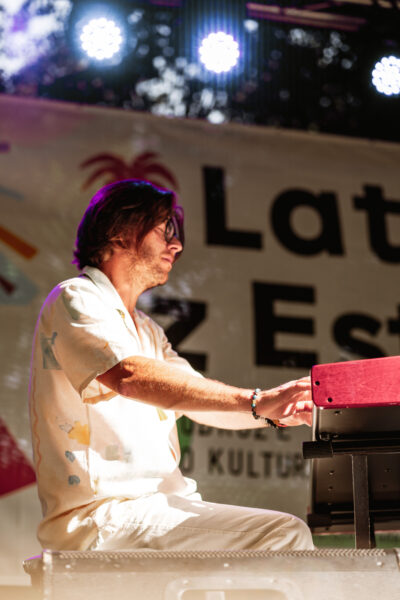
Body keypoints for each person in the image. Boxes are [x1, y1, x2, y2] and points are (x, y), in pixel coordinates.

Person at [29, 179, 314, 552]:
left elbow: (197, 400)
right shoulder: (76, 296)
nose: (176, 245)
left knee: (282, 537)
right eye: (165, 230)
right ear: (119, 231)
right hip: (102, 518)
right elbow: (129, 375)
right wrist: (258, 400)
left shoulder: (147, 329)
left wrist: (273, 410)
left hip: (155, 510)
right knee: (284, 535)